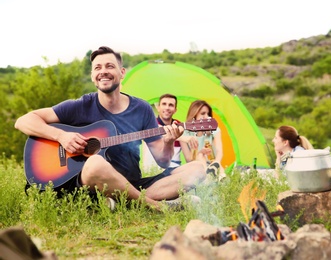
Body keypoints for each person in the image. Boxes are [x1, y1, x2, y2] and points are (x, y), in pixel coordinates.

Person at [14, 46, 206, 210]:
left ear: (122, 73)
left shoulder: (142, 109)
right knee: (96, 163)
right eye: (97, 67)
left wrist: (170, 141)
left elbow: (163, 161)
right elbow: (23, 121)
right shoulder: (80, 106)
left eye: (109, 66)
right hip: (89, 183)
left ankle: (123, 201)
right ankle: (154, 206)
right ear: (92, 76)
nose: (103, 71)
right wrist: (61, 136)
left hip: (132, 183)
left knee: (197, 169)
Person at [180, 100, 226, 181]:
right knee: (201, 156)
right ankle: (209, 179)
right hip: (194, 164)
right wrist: (200, 152)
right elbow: (188, 159)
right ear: (194, 115)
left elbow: (219, 151)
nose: (207, 116)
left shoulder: (214, 129)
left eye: (208, 114)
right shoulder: (185, 132)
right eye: (203, 113)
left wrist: (216, 163)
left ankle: (220, 179)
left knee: (217, 167)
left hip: (212, 162)